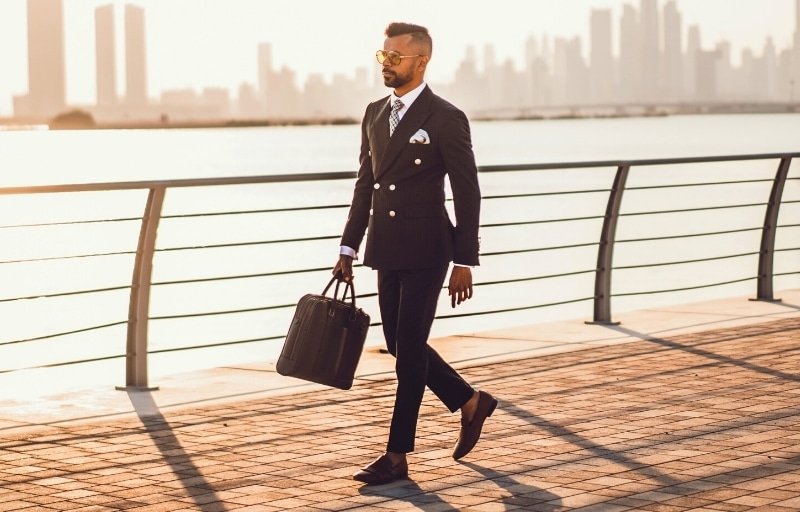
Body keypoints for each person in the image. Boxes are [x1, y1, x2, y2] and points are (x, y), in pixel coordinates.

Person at [333, 22, 497, 486]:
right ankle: (470, 401)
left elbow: (468, 191)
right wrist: (348, 245)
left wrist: (465, 259)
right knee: (402, 344)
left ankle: (396, 455)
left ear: (421, 61)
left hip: (429, 250)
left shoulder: (445, 116)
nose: (385, 64)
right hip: (385, 249)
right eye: (381, 56)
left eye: (395, 57)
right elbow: (366, 184)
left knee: (407, 356)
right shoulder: (372, 113)